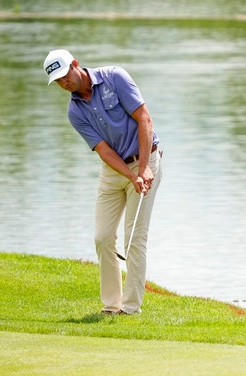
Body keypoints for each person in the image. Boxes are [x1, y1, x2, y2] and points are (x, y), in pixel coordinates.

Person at [43, 49, 162, 315]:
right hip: (114, 169)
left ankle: (130, 308)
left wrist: (143, 169)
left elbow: (144, 119)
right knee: (103, 237)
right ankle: (111, 305)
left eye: (65, 75)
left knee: (134, 237)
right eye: (58, 82)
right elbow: (103, 150)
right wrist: (131, 176)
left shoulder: (115, 77)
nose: (64, 83)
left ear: (75, 64)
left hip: (146, 158)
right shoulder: (75, 111)